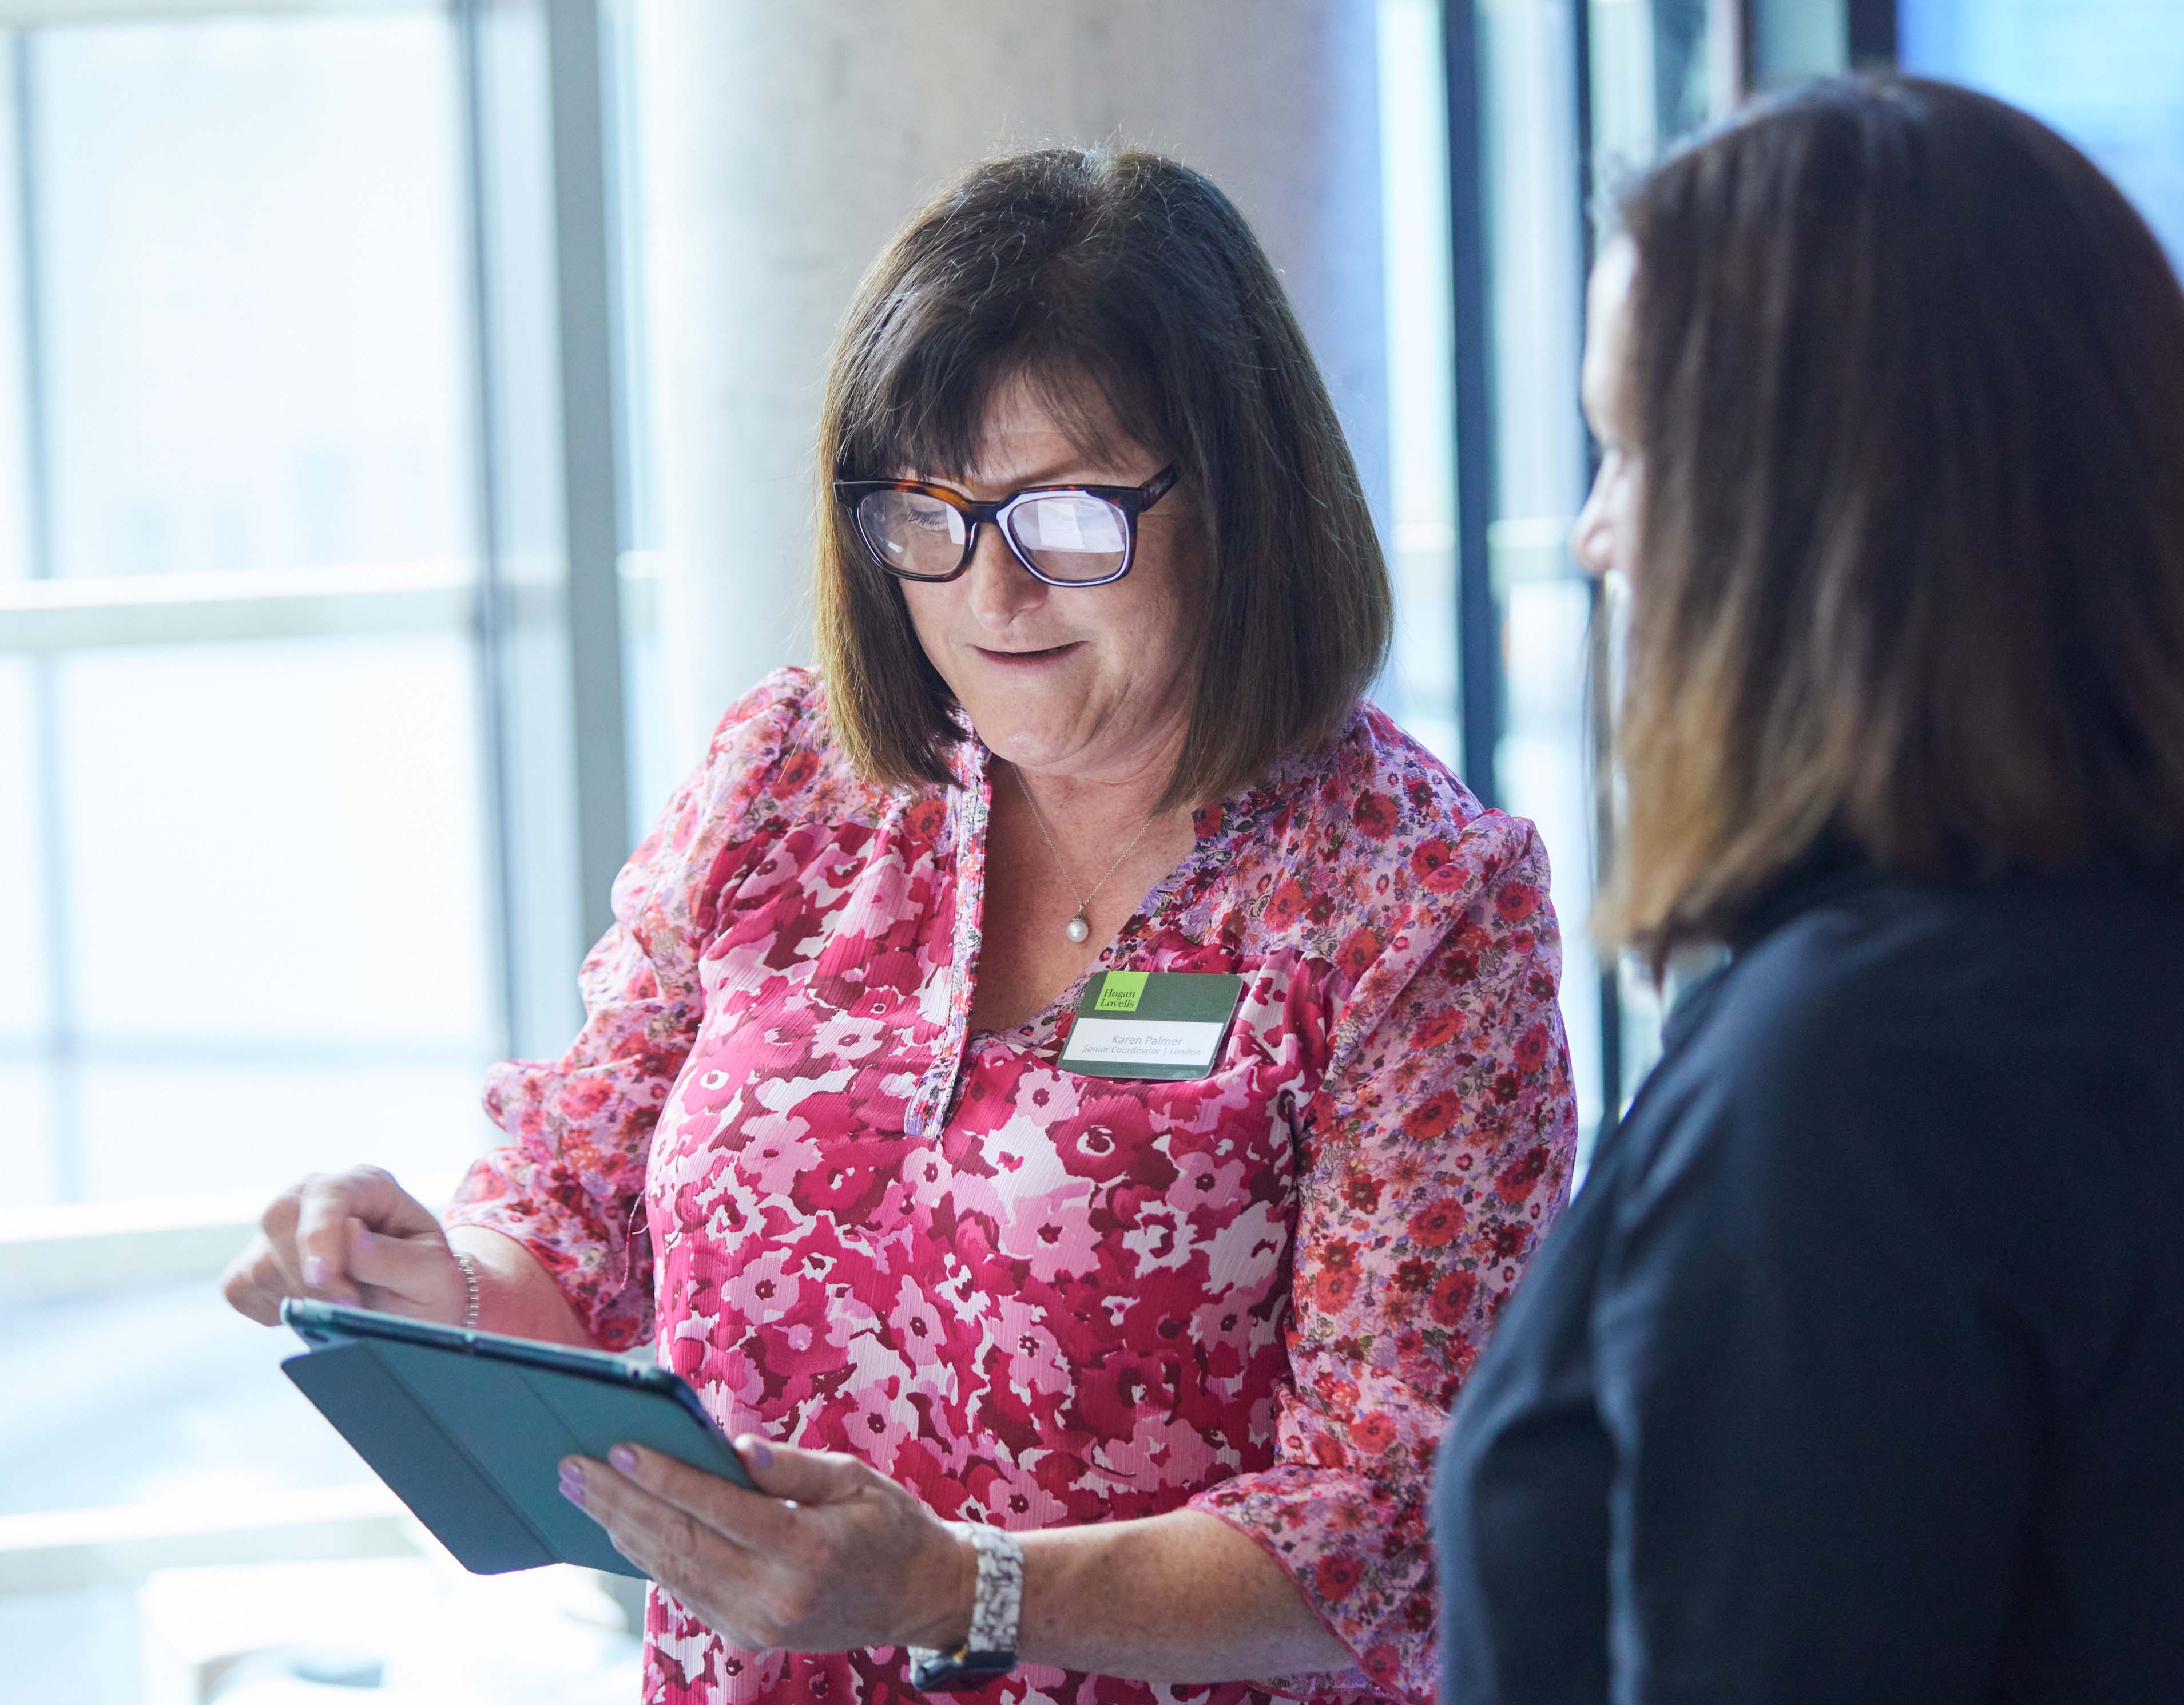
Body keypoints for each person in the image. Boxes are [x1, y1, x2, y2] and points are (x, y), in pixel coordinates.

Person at [224, 147, 1580, 1705]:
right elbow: (574, 1221)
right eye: (927, 513)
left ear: (1240, 498)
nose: (992, 593)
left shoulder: (1417, 904)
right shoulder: (792, 781)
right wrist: (426, 1282)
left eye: (1067, 513)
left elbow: (1399, 1524)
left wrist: (955, 1587)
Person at [1434, 75, 2184, 1705]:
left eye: (1634, 452)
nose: (1593, 535)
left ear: (1810, 517)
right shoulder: (2097, 954)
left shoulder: (1854, 1073)